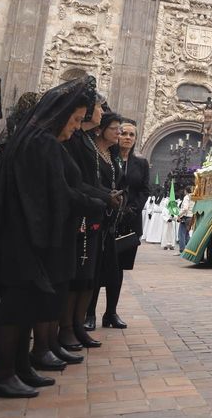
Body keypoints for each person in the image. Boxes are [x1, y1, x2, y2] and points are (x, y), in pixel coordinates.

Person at [0, 77, 110, 397]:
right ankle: (2, 371)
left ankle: (18, 366)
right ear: (60, 116)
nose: (74, 127)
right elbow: (58, 193)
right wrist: (95, 203)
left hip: (28, 233)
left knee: (28, 304)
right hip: (25, 235)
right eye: (72, 120)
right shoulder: (41, 144)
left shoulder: (40, 140)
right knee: (17, 306)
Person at [62, 98, 113, 348]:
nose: (102, 112)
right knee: (75, 275)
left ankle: (77, 325)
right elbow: (76, 179)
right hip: (79, 212)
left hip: (92, 211)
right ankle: (66, 328)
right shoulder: (75, 141)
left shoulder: (86, 141)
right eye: (100, 107)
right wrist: (104, 197)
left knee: (87, 275)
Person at [87, 113, 127, 331]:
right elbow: (89, 182)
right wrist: (107, 195)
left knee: (112, 267)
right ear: (101, 129)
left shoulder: (112, 156)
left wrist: (121, 199)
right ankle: (88, 312)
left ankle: (109, 311)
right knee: (92, 267)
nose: (119, 134)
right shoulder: (92, 152)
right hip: (95, 214)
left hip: (111, 219)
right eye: (116, 129)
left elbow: (121, 182)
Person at [116, 120, 149, 283]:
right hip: (110, 216)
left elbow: (145, 189)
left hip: (131, 220)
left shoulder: (141, 163)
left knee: (121, 267)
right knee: (101, 266)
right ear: (117, 135)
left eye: (131, 135)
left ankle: (111, 308)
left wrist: (133, 209)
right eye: (123, 133)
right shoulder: (108, 158)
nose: (127, 138)